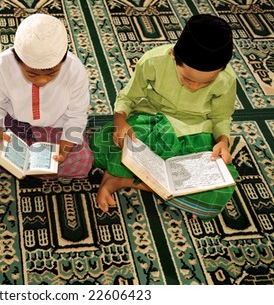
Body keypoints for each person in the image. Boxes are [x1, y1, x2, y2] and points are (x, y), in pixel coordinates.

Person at [91, 14, 239, 220]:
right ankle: (184, 196)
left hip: (195, 132)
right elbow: (128, 96)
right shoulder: (154, 61)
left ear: (221, 70)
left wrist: (222, 142)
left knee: (221, 189)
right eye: (187, 78)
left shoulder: (227, 78)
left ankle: (121, 180)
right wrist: (120, 121)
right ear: (173, 56)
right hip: (152, 120)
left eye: (205, 83)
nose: (194, 86)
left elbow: (222, 117)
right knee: (104, 144)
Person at [0, 13, 93, 181]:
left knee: (82, 159)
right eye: (32, 74)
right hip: (13, 124)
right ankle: (26, 167)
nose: (42, 81)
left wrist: (64, 148)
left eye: (51, 73)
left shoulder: (74, 70)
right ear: (17, 58)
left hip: (55, 128)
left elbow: (77, 114)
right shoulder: (2, 65)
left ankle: (3, 165)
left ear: (63, 59)